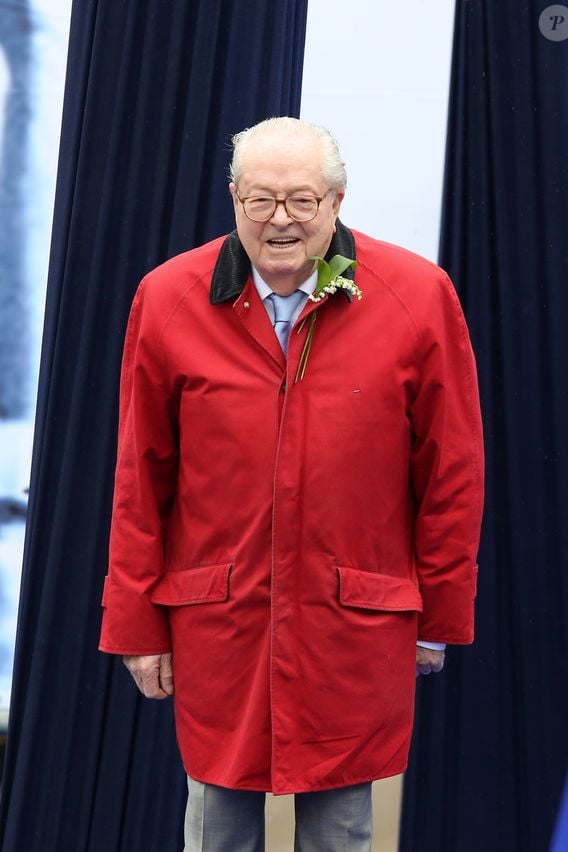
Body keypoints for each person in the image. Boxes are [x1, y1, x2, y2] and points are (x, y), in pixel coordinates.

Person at [99, 116, 484, 851]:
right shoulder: (168, 296)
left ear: (337, 202)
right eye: (261, 200)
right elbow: (140, 477)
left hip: (354, 619)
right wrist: (134, 625)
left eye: (302, 201)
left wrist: (440, 613)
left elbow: (452, 472)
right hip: (220, 617)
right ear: (234, 198)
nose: (281, 220)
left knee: (340, 830)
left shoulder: (417, 294)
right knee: (215, 827)